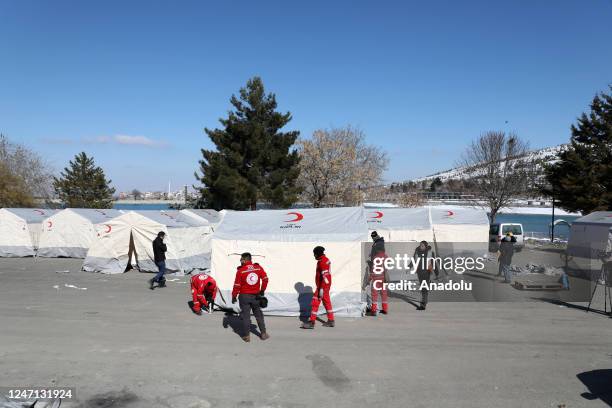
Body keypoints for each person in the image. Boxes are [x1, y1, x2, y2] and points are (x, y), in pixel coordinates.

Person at [231, 252, 269, 342]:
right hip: (256, 296)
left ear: (245, 260)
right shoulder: (258, 267)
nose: (240, 261)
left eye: (241, 259)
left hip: (244, 297)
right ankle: (263, 334)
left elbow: (237, 285)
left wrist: (234, 296)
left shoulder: (241, 271)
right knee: (258, 315)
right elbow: (265, 279)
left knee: (246, 316)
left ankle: (247, 336)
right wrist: (262, 290)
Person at [302, 246, 335, 329]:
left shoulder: (322, 262)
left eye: (314, 254)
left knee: (315, 303)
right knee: (327, 302)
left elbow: (325, 277)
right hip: (325, 286)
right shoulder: (325, 259)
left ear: (317, 254)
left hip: (322, 286)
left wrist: (321, 289)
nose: (314, 256)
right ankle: (331, 320)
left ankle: (312, 322)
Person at [367, 250, 389, 316]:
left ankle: (373, 310)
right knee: (384, 294)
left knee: (374, 295)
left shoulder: (374, 261)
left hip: (376, 279)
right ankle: (385, 310)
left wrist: (369, 279)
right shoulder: (385, 256)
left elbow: (372, 272)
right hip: (383, 278)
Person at [413, 241, 433, 311]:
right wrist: (409, 267)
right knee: (423, 287)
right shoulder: (417, 251)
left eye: (422, 245)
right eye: (420, 245)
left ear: (425, 246)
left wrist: (436, 272)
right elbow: (414, 259)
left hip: (426, 272)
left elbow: (433, 262)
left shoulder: (429, 252)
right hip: (419, 272)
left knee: (424, 287)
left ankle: (423, 305)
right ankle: (425, 299)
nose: (420, 246)